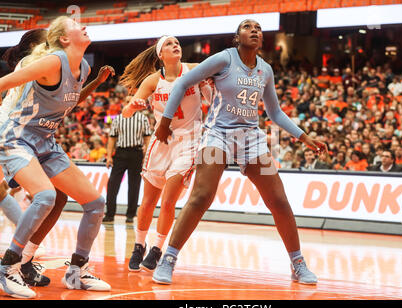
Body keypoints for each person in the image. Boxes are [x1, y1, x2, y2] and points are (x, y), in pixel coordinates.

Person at [151, 19, 327, 285]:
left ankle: (298, 263)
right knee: (201, 197)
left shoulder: (265, 70)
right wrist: (164, 123)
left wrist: (304, 137)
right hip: (217, 134)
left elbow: (275, 113)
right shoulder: (224, 59)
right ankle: (169, 259)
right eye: (247, 27)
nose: (254, 30)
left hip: (250, 138)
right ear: (237, 37)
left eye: (258, 27)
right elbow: (182, 82)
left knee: (279, 200)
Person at [0, 16, 112, 299]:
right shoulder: (51, 62)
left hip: (46, 141)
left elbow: (69, 103)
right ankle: (8, 267)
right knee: (46, 196)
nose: (84, 25)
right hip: (16, 136)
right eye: (76, 25)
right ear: (64, 38)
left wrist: (97, 82)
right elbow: (6, 81)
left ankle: (77, 271)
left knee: (96, 203)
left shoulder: (84, 67)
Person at [118, 35, 213, 272]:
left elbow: (214, 92)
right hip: (161, 142)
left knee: (169, 200)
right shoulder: (152, 81)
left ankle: (158, 248)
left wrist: (208, 86)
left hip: (188, 141)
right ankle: (139, 245)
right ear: (161, 54)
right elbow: (126, 114)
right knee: (148, 201)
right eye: (170, 44)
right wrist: (134, 105)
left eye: (178, 43)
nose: (176, 45)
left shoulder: (193, 70)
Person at [102, 96, 152, 224]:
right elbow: (112, 138)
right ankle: (110, 214)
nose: (129, 103)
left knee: (134, 185)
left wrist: (146, 156)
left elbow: (147, 138)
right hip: (120, 153)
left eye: (132, 101)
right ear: (123, 103)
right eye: (127, 101)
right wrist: (108, 156)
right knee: (112, 184)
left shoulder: (143, 119)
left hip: (136, 153)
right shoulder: (117, 119)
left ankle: (130, 214)